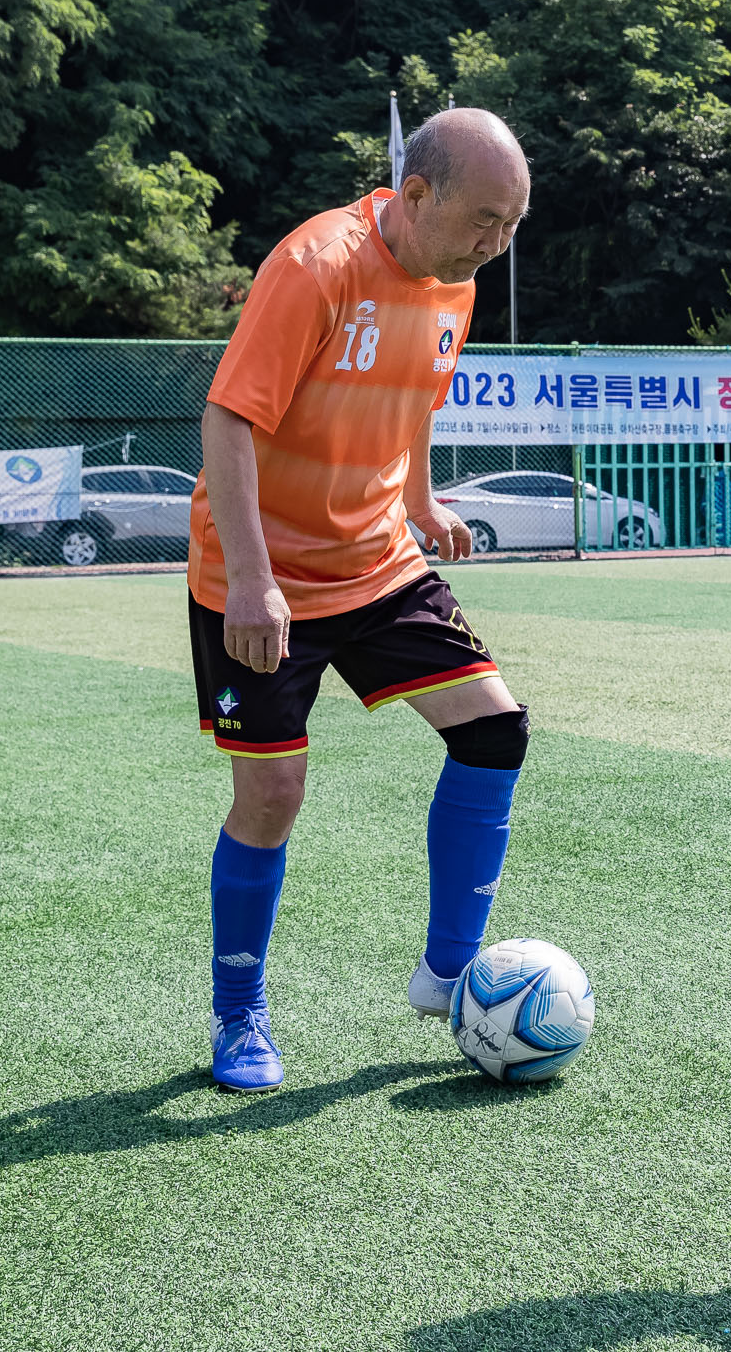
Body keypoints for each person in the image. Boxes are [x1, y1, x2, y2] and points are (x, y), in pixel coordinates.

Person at [189, 109, 534, 1091]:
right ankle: (239, 1014)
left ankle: (447, 972)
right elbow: (226, 416)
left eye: (511, 224)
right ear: (415, 195)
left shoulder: (453, 285)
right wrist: (253, 579)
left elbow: (417, 396)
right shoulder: (315, 266)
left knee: (494, 727)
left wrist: (420, 499)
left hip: (376, 561)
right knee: (271, 793)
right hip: (256, 575)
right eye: (484, 219)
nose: (495, 244)